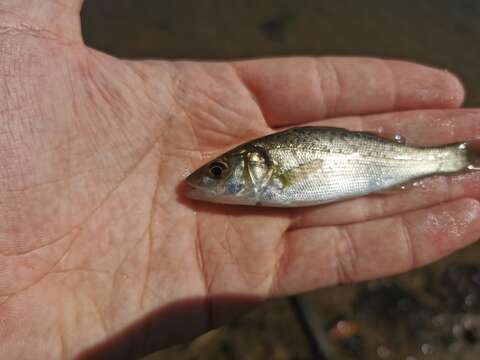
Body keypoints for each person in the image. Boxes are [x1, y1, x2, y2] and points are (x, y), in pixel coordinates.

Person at [1, 1, 479, 358]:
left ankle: (455, 159)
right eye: (217, 170)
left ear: (257, 169)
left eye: (218, 172)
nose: (207, 180)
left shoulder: (274, 171)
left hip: (384, 166)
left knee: (442, 156)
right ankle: (455, 160)